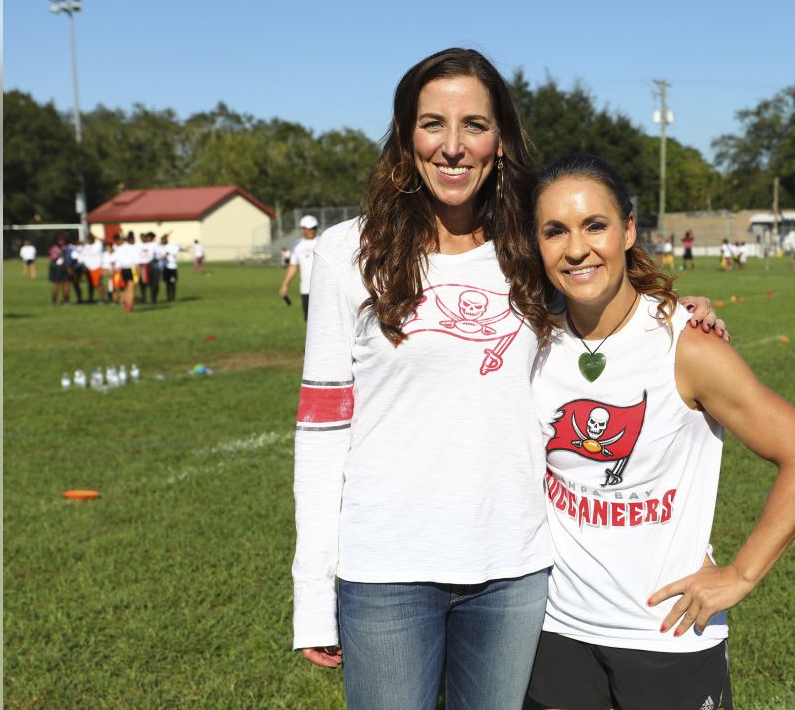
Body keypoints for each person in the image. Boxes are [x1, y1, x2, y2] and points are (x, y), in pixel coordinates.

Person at [290, 48, 724, 710]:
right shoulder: (347, 252)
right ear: (407, 137)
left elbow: (610, 306)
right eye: (433, 123)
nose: (454, 146)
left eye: (475, 125)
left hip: (515, 571)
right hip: (385, 569)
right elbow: (322, 431)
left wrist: (680, 311)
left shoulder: (528, 247)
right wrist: (312, 592)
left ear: (501, 140)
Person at [527, 154, 795, 710]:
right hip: (556, 634)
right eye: (555, 231)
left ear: (628, 230)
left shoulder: (686, 344)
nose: (576, 248)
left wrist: (740, 574)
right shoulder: (529, 339)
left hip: (666, 637)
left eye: (595, 225)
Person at [280, 215, 320, 320]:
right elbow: (293, 266)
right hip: (306, 290)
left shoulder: (323, 241)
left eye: (314, 228)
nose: (312, 230)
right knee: (310, 324)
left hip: (323, 290)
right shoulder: (297, 245)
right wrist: (285, 285)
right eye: (309, 228)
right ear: (302, 228)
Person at [113, 231, 139, 314]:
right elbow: (137, 261)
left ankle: (127, 305)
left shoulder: (118, 248)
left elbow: (115, 261)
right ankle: (129, 308)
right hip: (132, 268)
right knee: (131, 289)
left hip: (122, 269)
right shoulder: (133, 247)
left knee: (126, 289)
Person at [80, 233, 104, 303]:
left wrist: (95, 236)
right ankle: (90, 299)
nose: (89, 240)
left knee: (99, 284)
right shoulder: (86, 246)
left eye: (91, 238)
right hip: (87, 269)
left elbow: (103, 241)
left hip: (96, 267)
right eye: (88, 239)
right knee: (90, 285)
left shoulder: (98, 245)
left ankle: (101, 299)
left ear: (94, 239)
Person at [48, 235, 71, 305]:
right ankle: (66, 301)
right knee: (66, 283)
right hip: (62, 266)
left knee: (56, 284)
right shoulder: (65, 248)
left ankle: (53, 301)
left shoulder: (52, 247)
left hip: (53, 266)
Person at [159, 234, 181, 302]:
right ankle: (168, 297)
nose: (163, 241)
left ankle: (173, 297)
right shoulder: (161, 247)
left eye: (165, 239)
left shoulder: (172, 246)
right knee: (167, 283)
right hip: (166, 268)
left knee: (172, 283)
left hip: (173, 268)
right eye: (163, 239)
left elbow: (178, 249)